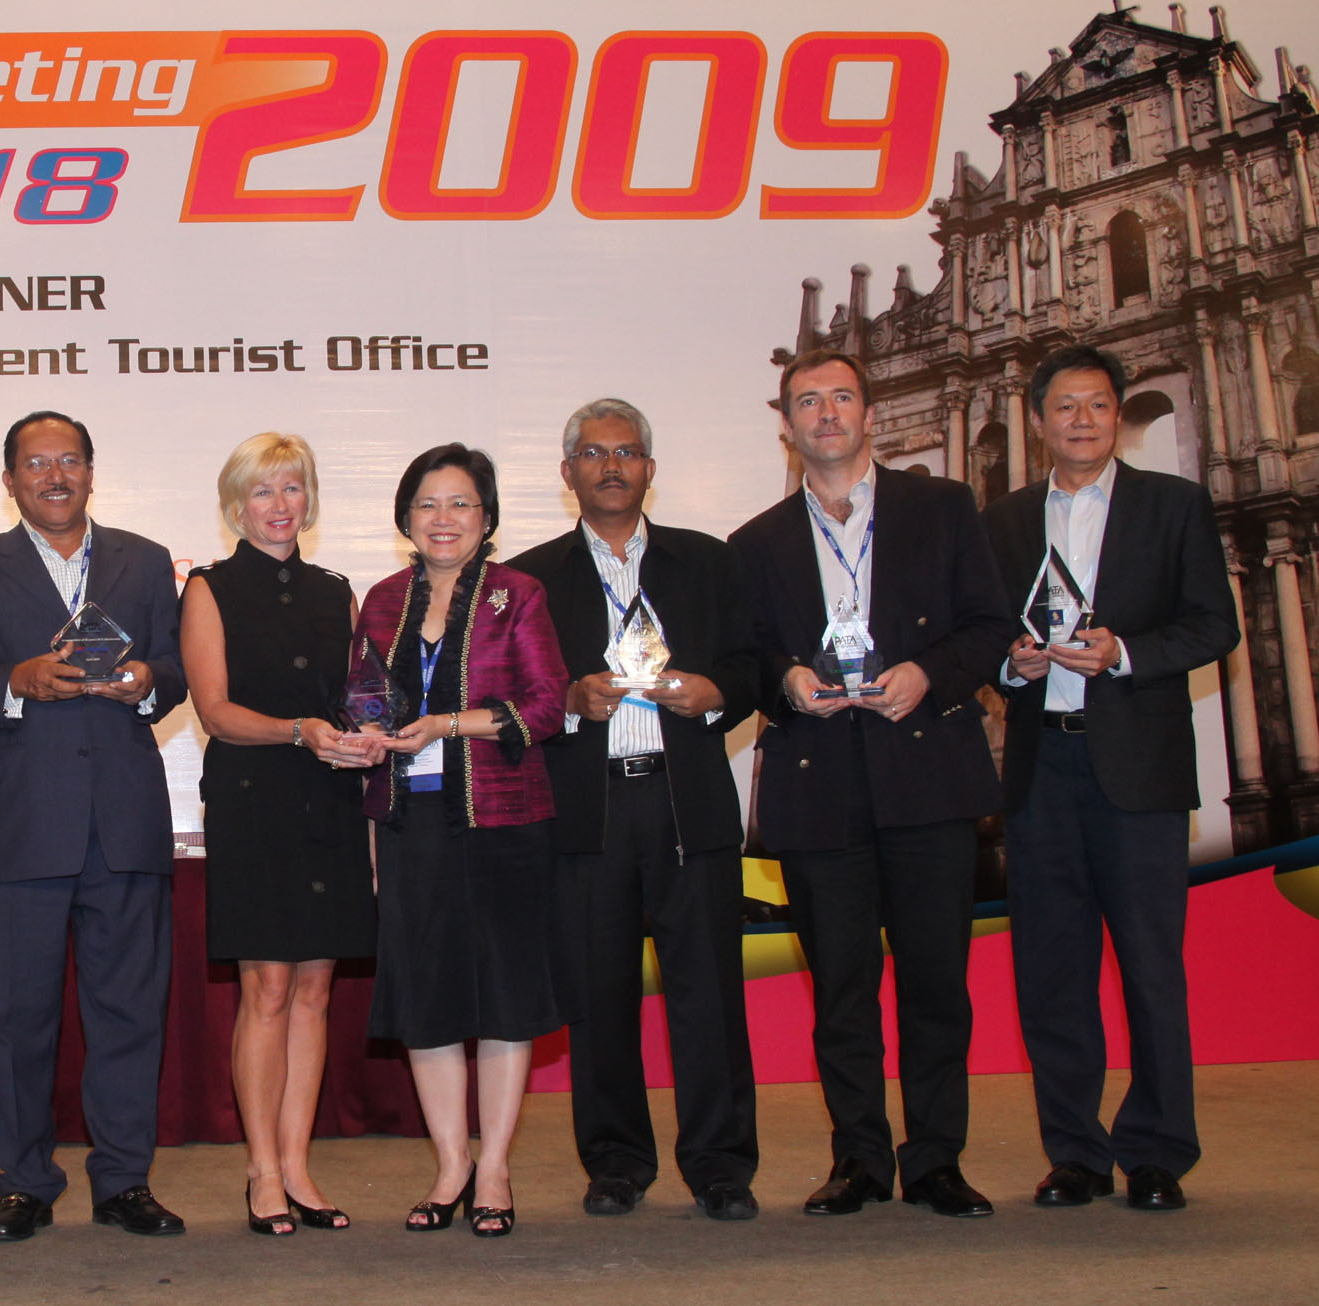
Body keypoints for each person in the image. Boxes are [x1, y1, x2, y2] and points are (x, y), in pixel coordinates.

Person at [728, 349, 1015, 1219]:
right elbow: (743, 656)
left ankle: (936, 1160)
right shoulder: (756, 542)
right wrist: (784, 681)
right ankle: (858, 1158)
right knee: (842, 993)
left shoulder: (944, 508)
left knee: (936, 985)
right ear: (786, 426)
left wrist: (930, 673)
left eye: (842, 397)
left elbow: (990, 626)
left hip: (928, 776)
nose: (826, 413)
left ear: (870, 414)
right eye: (808, 401)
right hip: (820, 788)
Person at [982, 344, 1238, 1212]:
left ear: (1119, 414)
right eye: (1065, 406)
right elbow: (983, 632)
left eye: (1097, 404)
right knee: (1052, 970)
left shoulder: (1174, 505)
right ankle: (1076, 1154)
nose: (1082, 419)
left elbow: (1214, 626)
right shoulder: (1006, 520)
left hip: (1139, 768)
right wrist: (1010, 664)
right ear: (1038, 420)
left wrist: (1123, 653)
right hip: (1041, 768)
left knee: (1150, 968)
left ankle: (1158, 1152)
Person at [0, 411, 190, 1242]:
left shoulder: (146, 560)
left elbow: (178, 670)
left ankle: (124, 1182)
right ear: (9, 480)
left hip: (125, 823)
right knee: (16, 1020)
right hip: (22, 825)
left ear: (90, 472)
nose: (55, 476)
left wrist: (146, 679)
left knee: (129, 1014)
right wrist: (18, 682)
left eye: (69, 460)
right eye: (36, 464)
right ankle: (24, 1185)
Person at [510, 398, 762, 1222]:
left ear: (650, 468)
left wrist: (718, 692)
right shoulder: (532, 579)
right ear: (568, 473)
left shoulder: (709, 561)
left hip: (690, 804)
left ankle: (721, 1165)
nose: (611, 466)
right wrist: (569, 702)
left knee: (708, 993)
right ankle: (615, 1162)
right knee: (599, 994)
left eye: (626, 453)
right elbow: (512, 693)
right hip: (590, 811)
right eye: (593, 453)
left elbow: (754, 662)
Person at [354, 443, 568, 1237]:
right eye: (427, 504)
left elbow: (546, 707)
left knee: (504, 999)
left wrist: (447, 723)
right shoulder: (381, 601)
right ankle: (450, 1167)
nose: (443, 519)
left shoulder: (520, 593)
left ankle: (496, 1168)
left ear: (487, 517)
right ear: (405, 518)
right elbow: (364, 701)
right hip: (409, 825)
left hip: (504, 822)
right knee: (429, 999)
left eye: (460, 504)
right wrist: (363, 734)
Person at [180, 432, 384, 1235]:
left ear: (310, 499)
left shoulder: (338, 591)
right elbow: (215, 712)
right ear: (237, 505)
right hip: (254, 800)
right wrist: (299, 731)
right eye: (263, 491)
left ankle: (299, 1166)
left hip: (330, 801)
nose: (279, 505)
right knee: (266, 988)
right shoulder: (209, 587)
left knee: (315, 989)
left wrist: (368, 735)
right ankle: (262, 1169)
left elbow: (361, 699)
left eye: (292, 488)